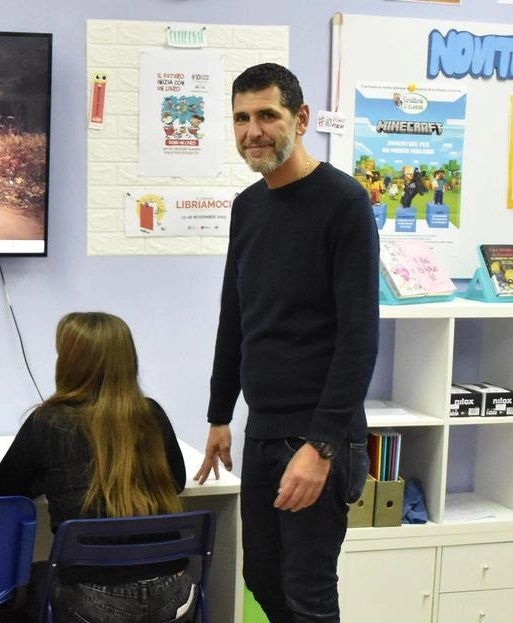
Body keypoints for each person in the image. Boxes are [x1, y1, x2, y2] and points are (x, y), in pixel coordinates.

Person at [194, 63, 377, 623]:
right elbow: (236, 316)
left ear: (299, 119)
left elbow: (359, 338)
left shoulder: (343, 202)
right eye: (242, 118)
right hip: (264, 426)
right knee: (263, 577)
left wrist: (321, 447)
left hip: (320, 433)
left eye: (267, 116)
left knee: (308, 590)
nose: (254, 131)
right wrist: (220, 414)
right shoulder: (248, 206)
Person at [0, 312, 193, 623]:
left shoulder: (48, 421)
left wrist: (49, 479)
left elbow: (4, 491)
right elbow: (176, 482)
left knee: (15, 590)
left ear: (69, 363)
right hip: (173, 592)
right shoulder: (150, 414)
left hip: (92, 600)